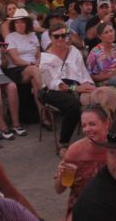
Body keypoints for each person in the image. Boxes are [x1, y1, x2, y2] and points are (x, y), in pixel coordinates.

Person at [39, 23, 96, 156]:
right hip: (51, 91)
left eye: (63, 35)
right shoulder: (45, 58)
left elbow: (82, 72)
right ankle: (63, 143)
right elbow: (56, 84)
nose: (60, 39)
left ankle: (99, 138)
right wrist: (78, 88)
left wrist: (89, 85)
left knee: (100, 96)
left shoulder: (73, 51)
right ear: (50, 37)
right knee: (73, 105)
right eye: (56, 36)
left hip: (75, 87)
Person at [54, 104, 110, 220]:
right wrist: (61, 175)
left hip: (111, 205)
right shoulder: (75, 151)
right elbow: (59, 189)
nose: (87, 129)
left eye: (92, 124)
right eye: (84, 125)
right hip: (82, 206)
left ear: (106, 123)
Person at [4, 8, 44, 122]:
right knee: (34, 70)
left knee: (35, 81)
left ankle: (43, 115)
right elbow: (15, 60)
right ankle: (46, 95)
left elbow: (38, 54)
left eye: (22, 21)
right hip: (16, 70)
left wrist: (37, 63)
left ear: (27, 23)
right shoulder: (10, 37)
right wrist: (32, 64)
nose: (19, 24)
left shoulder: (32, 35)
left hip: (33, 68)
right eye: (17, 22)